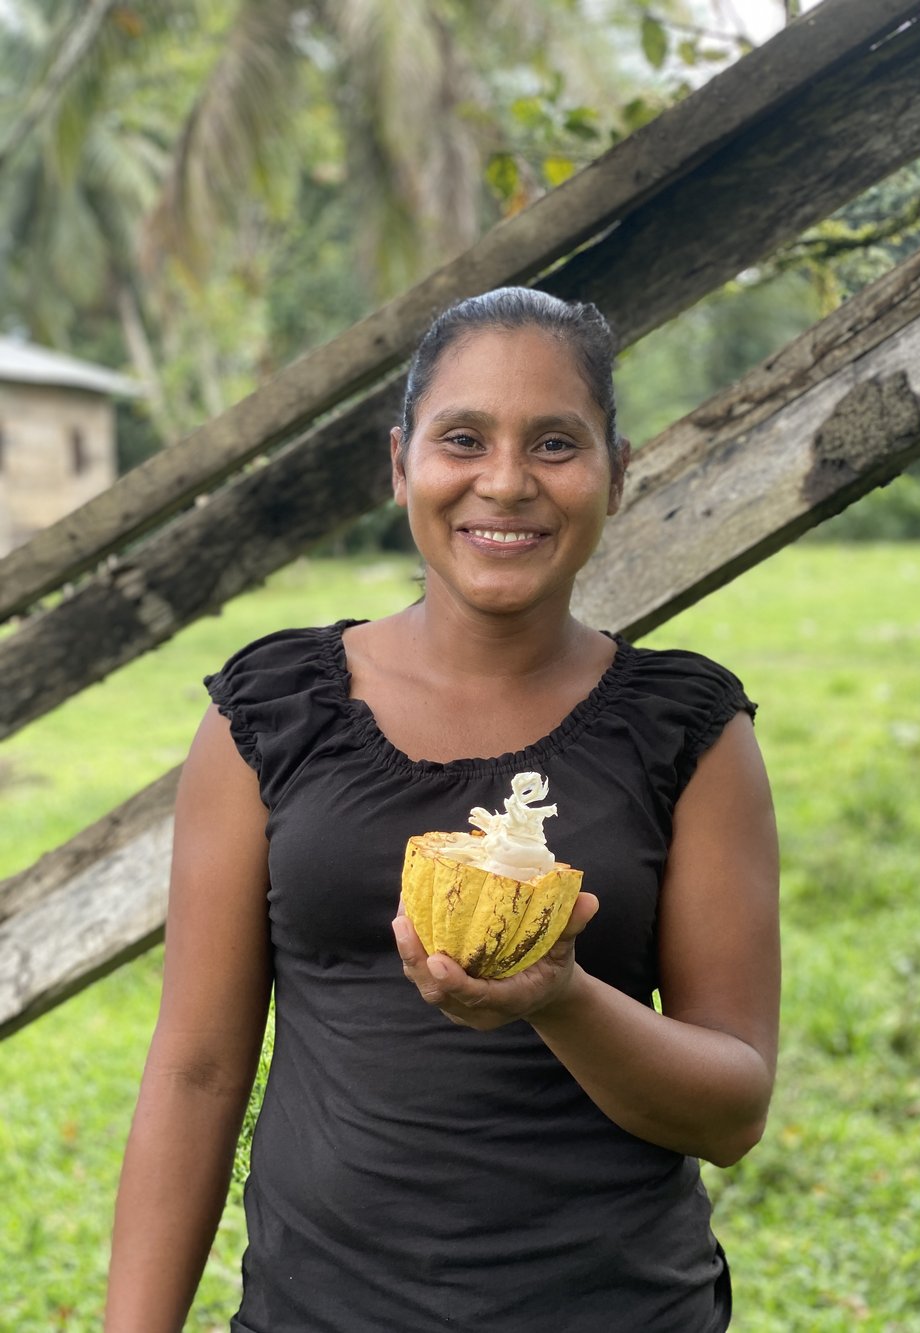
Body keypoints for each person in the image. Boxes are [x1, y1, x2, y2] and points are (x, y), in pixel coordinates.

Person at [106, 287, 780, 1332]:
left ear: (618, 469)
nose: (505, 482)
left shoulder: (687, 730)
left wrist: (562, 998)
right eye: (462, 437)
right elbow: (195, 1070)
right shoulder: (274, 712)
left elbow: (733, 1109)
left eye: (555, 442)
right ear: (400, 462)